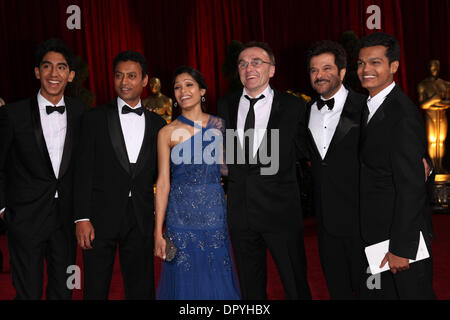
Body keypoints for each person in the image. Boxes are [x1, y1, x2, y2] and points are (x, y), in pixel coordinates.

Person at [217, 42, 311, 300]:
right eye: (243, 63)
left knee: (295, 283)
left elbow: (311, 150)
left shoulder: (294, 106)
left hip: (281, 213)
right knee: (250, 288)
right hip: (241, 214)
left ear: (271, 70)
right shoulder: (226, 104)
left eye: (257, 61)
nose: (249, 68)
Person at [74, 51, 166, 299]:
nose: (124, 81)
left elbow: (163, 177)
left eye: (132, 76)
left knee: (141, 287)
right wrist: (81, 217)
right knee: (95, 287)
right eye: (119, 75)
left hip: (141, 217)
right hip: (99, 217)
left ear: (145, 80)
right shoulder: (93, 119)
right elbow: (82, 171)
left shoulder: (159, 125)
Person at [0, 39, 85, 299]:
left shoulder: (82, 112)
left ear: (70, 75)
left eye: (61, 68)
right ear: (37, 72)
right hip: (25, 218)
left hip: (65, 219)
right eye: (47, 67)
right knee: (28, 291)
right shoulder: (12, 115)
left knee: (64, 288)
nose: (53, 74)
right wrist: (3, 209)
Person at [357, 32, 435, 299]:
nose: (366, 69)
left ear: (394, 66)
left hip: (401, 240)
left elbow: (411, 187)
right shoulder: (370, 106)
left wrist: (401, 247)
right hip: (377, 233)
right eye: (361, 63)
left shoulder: (401, 113)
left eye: (375, 62)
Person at [154, 66, 240, 300]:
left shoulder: (219, 126)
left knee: (215, 274)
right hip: (179, 217)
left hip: (214, 213)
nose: (183, 91)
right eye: (177, 87)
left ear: (202, 90)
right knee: (184, 277)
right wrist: (157, 232)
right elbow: (163, 184)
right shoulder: (166, 133)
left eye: (189, 84)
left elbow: (228, 169)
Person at [305, 40, 367, 299]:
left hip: (363, 223)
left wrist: (424, 159)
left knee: (370, 292)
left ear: (342, 72)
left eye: (327, 68)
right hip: (326, 225)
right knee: (337, 290)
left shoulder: (366, 106)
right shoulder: (306, 111)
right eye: (314, 70)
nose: (319, 75)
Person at [417, 60, 450, 173]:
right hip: (430, 116)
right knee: (432, 141)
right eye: (433, 67)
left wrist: (436, 103)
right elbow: (423, 104)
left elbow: (448, 102)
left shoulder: (446, 84)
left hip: (442, 115)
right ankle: (433, 166)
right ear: (429, 68)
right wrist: (434, 100)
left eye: (437, 67)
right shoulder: (423, 85)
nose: (435, 69)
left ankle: (439, 166)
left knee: (441, 141)